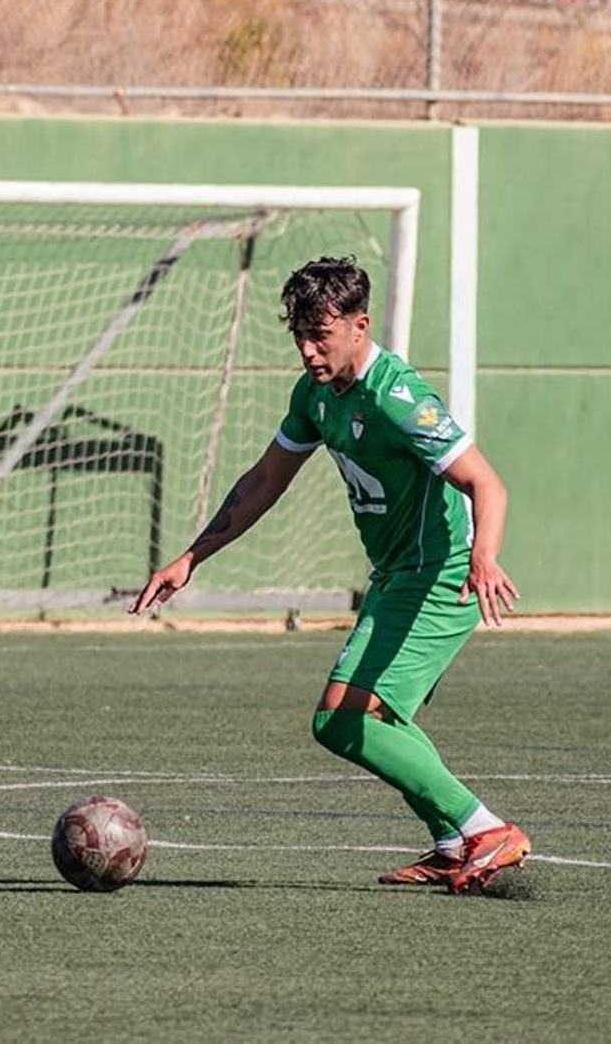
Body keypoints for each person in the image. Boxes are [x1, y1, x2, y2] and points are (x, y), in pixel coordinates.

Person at [129, 255, 529, 895]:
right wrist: (191, 557)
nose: (310, 351)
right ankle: (455, 844)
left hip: (442, 574)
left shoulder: (398, 397)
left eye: (322, 335)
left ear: (360, 324)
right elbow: (265, 479)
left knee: (341, 720)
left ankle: (485, 829)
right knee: (370, 718)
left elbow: (487, 482)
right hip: (395, 574)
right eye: (300, 337)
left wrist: (483, 558)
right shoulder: (315, 394)